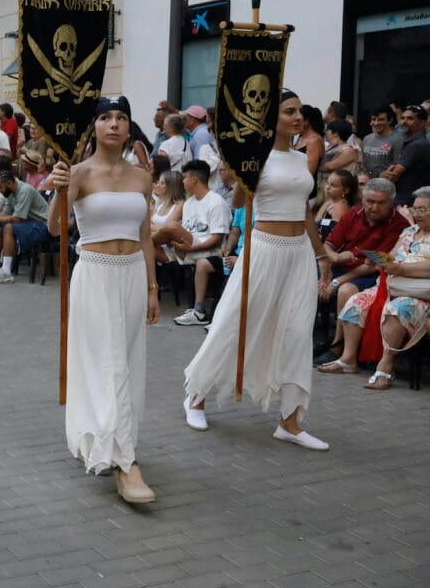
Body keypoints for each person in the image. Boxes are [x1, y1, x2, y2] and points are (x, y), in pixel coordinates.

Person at [183, 89, 333, 451]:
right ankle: (196, 395)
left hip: (299, 253)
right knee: (234, 321)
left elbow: (305, 211)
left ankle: (290, 421)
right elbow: (237, 201)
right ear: (270, 119)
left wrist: (322, 255)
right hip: (264, 249)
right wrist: (239, 171)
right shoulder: (256, 157)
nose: (298, 118)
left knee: (298, 333)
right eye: (289, 112)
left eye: (299, 111)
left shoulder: (300, 159)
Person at [48, 96, 158, 503]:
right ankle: (127, 465)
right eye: (106, 117)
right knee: (108, 362)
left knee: (125, 361)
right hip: (93, 272)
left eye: (122, 118)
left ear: (130, 127)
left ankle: (115, 438)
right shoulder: (77, 172)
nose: (114, 124)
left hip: (131, 275)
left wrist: (152, 287)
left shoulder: (143, 177)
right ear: (93, 126)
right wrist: (60, 191)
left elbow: (145, 235)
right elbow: (56, 229)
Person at [321, 186, 430, 388]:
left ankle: (385, 367)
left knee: (398, 309)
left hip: (420, 293)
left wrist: (401, 269)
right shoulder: (409, 231)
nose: (417, 214)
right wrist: (382, 262)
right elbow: (393, 255)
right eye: (415, 209)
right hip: (393, 284)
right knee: (356, 301)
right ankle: (348, 359)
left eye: (423, 209)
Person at [160, 161, 232, 325]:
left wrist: (190, 247)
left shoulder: (216, 202)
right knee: (150, 245)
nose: (182, 182)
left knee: (171, 226)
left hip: (207, 251)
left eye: (184, 178)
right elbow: (186, 230)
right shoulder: (189, 203)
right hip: (186, 249)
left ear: (194, 179)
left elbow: (217, 239)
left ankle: (198, 312)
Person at [0, 169, 51, 284]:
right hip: (30, 223)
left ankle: (6, 272)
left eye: (1, 188)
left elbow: (17, 219)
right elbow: (6, 214)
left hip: (43, 226)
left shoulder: (25, 190)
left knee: (8, 227)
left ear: (9, 183)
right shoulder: (9, 193)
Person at [382, 105, 430, 205]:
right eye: (403, 118)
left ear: (423, 123)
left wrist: (383, 175)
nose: (404, 122)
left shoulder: (417, 145)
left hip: (407, 203)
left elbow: (391, 175)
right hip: (406, 200)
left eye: (410, 118)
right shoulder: (410, 143)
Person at [361, 104, 403, 178]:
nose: (376, 123)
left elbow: (398, 166)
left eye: (381, 119)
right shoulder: (367, 138)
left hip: (385, 184)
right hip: (367, 182)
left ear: (390, 120)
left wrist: (381, 175)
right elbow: (363, 163)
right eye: (374, 119)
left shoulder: (398, 140)